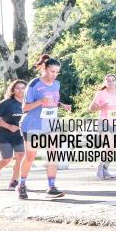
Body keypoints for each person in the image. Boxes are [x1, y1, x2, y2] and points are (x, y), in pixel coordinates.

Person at [18, 55, 72, 199]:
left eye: (56, 72)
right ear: (45, 68)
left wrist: (62, 105)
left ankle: (51, 186)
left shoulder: (56, 84)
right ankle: (21, 185)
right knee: (31, 156)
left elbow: (54, 101)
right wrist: (41, 101)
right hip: (32, 124)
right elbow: (25, 108)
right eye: (51, 71)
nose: (54, 75)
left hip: (50, 124)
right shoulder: (34, 84)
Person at [88, 74, 116, 180]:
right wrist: (102, 107)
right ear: (105, 83)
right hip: (104, 122)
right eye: (108, 81)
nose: (111, 82)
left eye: (113, 80)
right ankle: (100, 166)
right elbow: (91, 108)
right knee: (110, 145)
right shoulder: (101, 94)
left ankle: (105, 168)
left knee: (113, 148)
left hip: (115, 123)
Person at [0, 80, 26, 189]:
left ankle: (14, 180)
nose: (20, 90)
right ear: (13, 90)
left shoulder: (28, 103)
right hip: (4, 136)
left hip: (20, 136)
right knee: (7, 159)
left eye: (23, 88)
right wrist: (9, 126)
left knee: (21, 156)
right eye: (17, 88)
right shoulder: (6, 103)